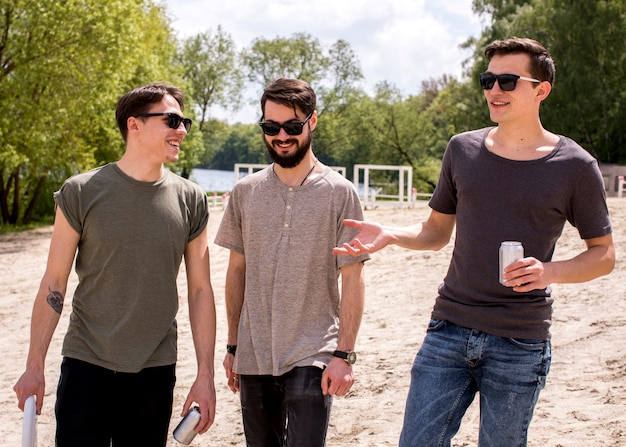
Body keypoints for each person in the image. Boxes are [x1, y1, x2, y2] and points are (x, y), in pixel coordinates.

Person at [333, 37, 615, 447]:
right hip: (447, 329)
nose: (494, 91)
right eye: (488, 81)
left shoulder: (575, 166)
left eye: (506, 81)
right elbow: (435, 234)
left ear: (541, 89)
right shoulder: (461, 149)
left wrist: (548, 271)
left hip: (521, 340)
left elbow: (603, 255)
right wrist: (391, 235)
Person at [13, 83, 217, 446]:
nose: (182, 130)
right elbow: (54, 283)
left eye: (184, 121)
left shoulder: (191, 199)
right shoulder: (81, 191)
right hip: (85, 365)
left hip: (154, 371)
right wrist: (34, 366)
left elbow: (200, 290)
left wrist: (205, 375)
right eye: (171, 120)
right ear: (134, 124)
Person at [215, 77, 369, 447]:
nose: (281, 136)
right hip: (253, 355)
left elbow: (353, 278)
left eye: (292, 126)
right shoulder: (245, 192)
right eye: (271, 127)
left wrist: (344, 354)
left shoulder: (340, 193)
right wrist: (233, 346)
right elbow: (237, 273)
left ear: (312, 122)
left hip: (312, 351)